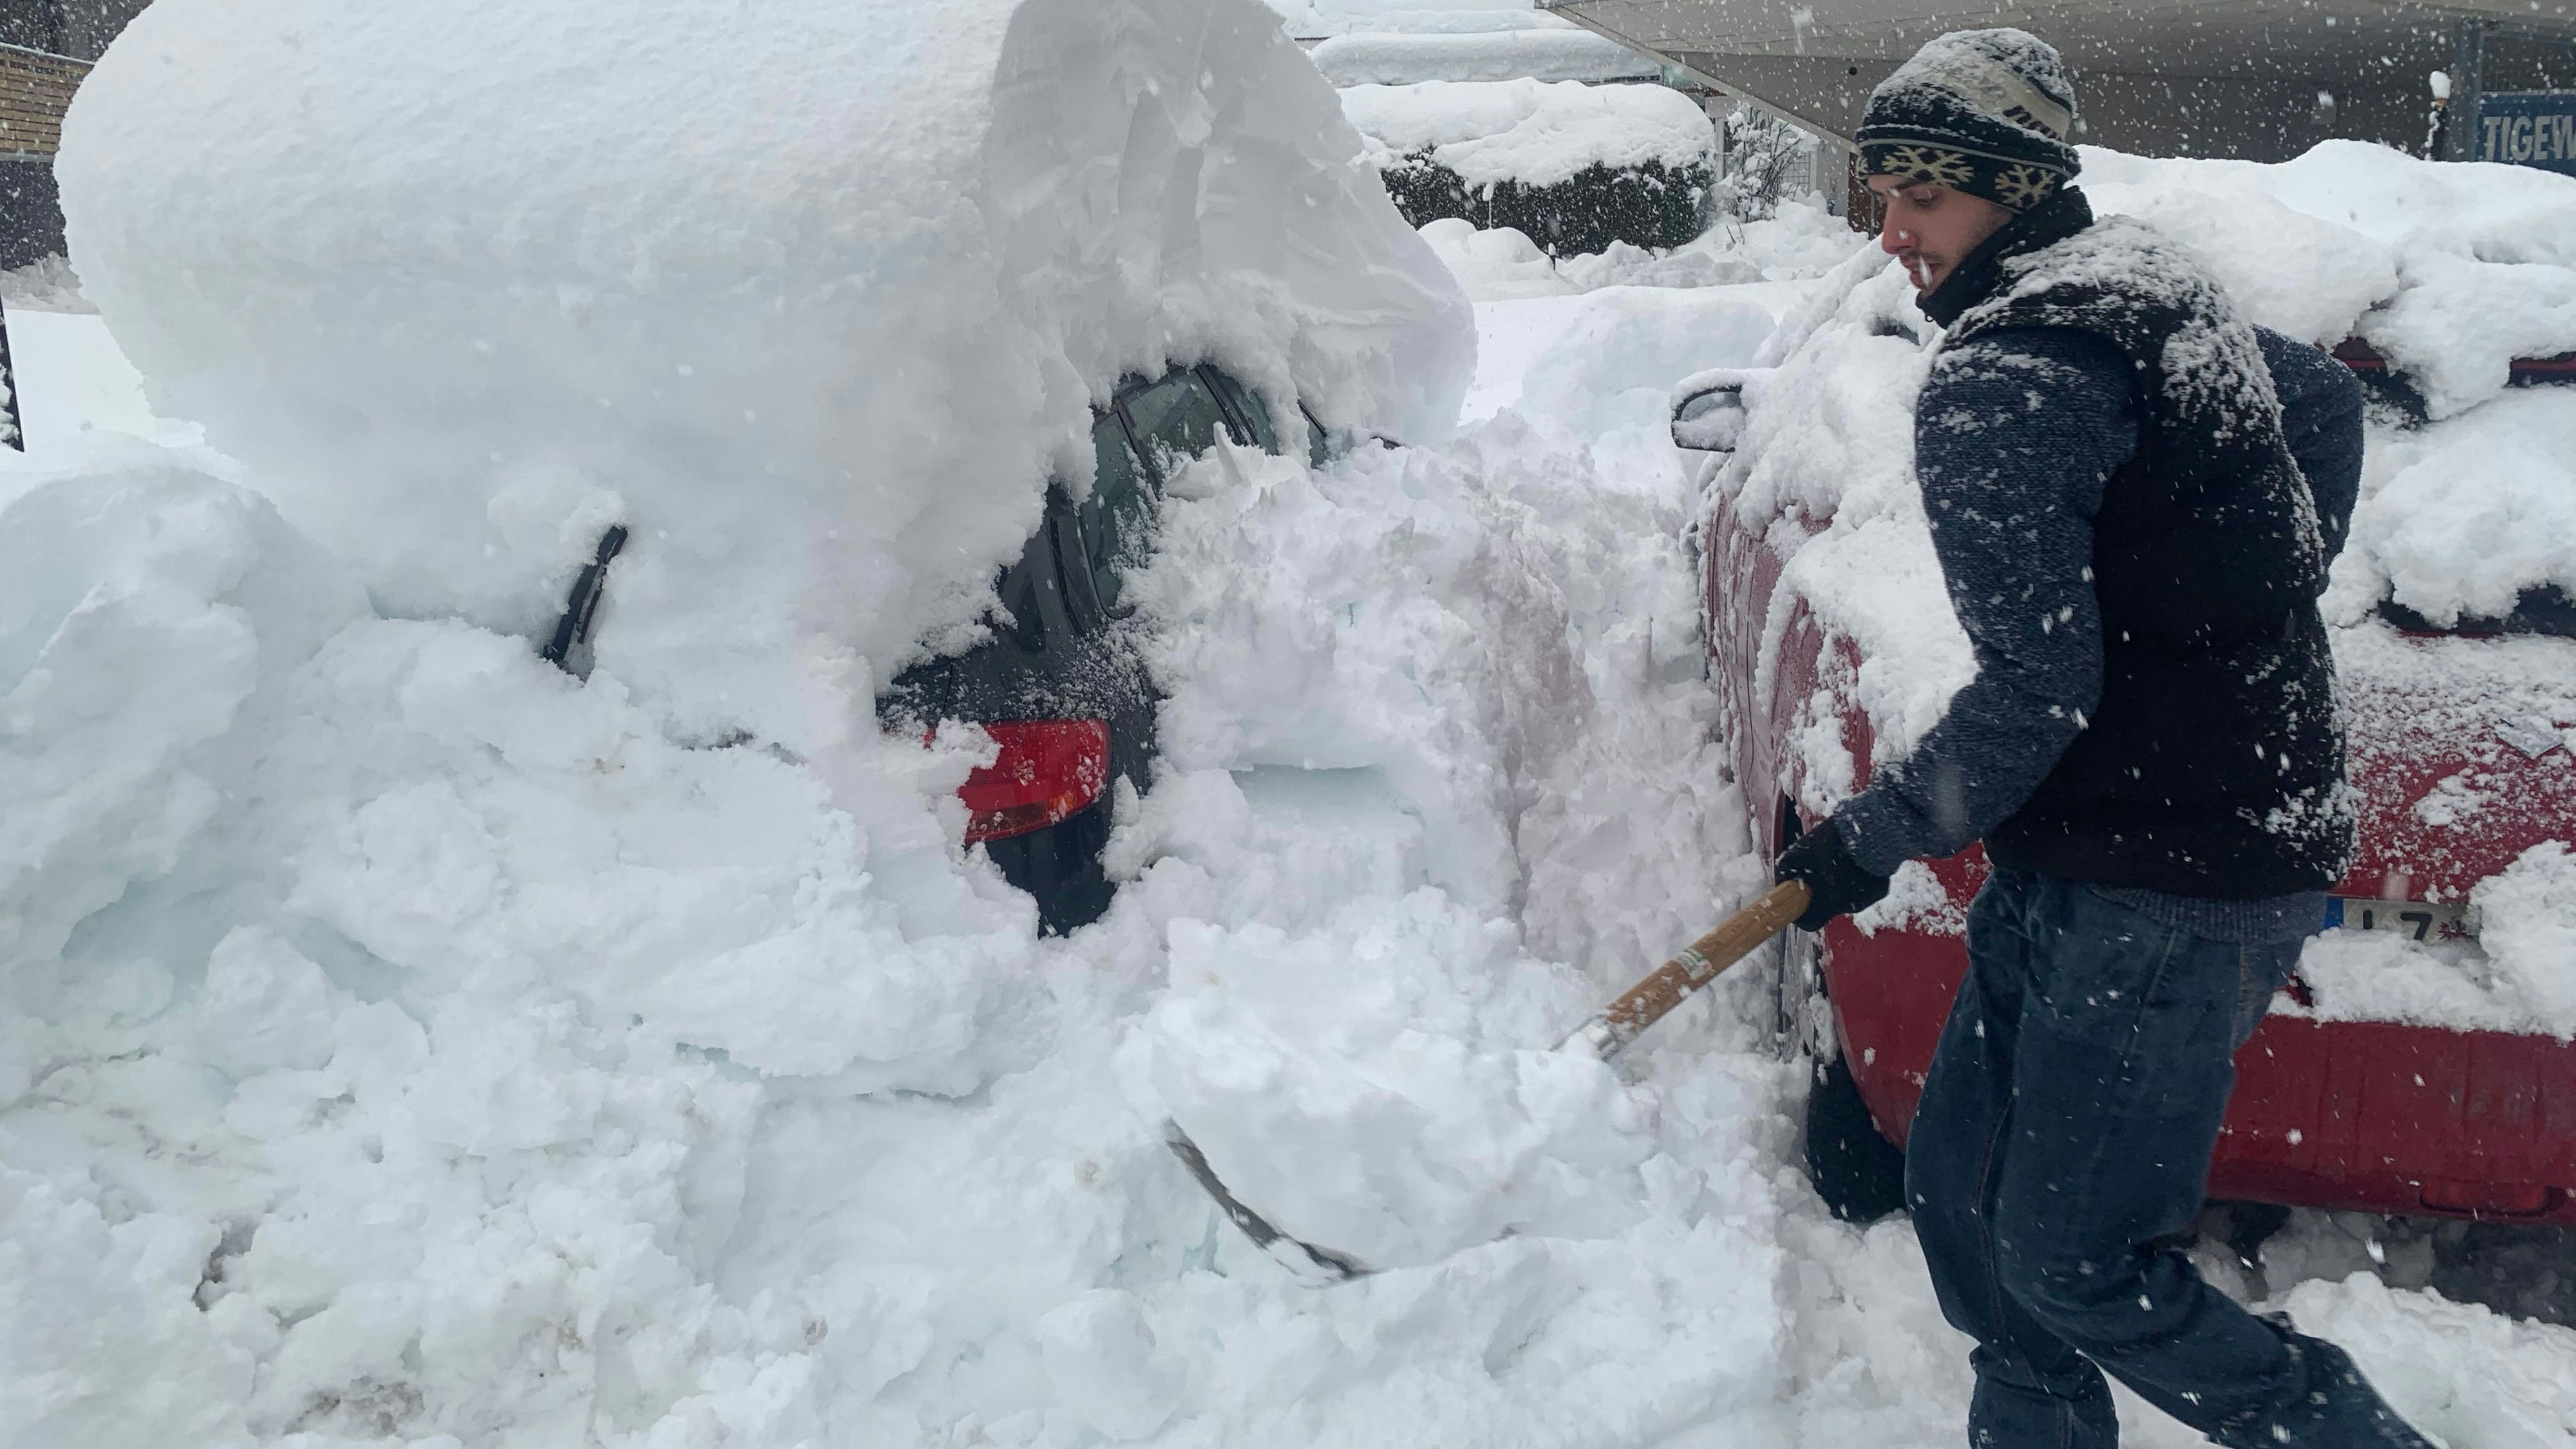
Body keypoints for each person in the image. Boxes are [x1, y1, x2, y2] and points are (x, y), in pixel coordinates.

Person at [1768, 28, 2435, 1449]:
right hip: (2118, 844)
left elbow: (2035, 691)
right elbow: (2313, 400)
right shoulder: (2140, 284)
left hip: (2170, 883)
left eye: (1919, 200)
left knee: (2074, 1263)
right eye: (1873, 195)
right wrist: (2236, 584)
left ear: (2008, 193)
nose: (1887, 233)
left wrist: (1864, 842)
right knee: (1964, 1193)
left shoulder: (2007, 377)